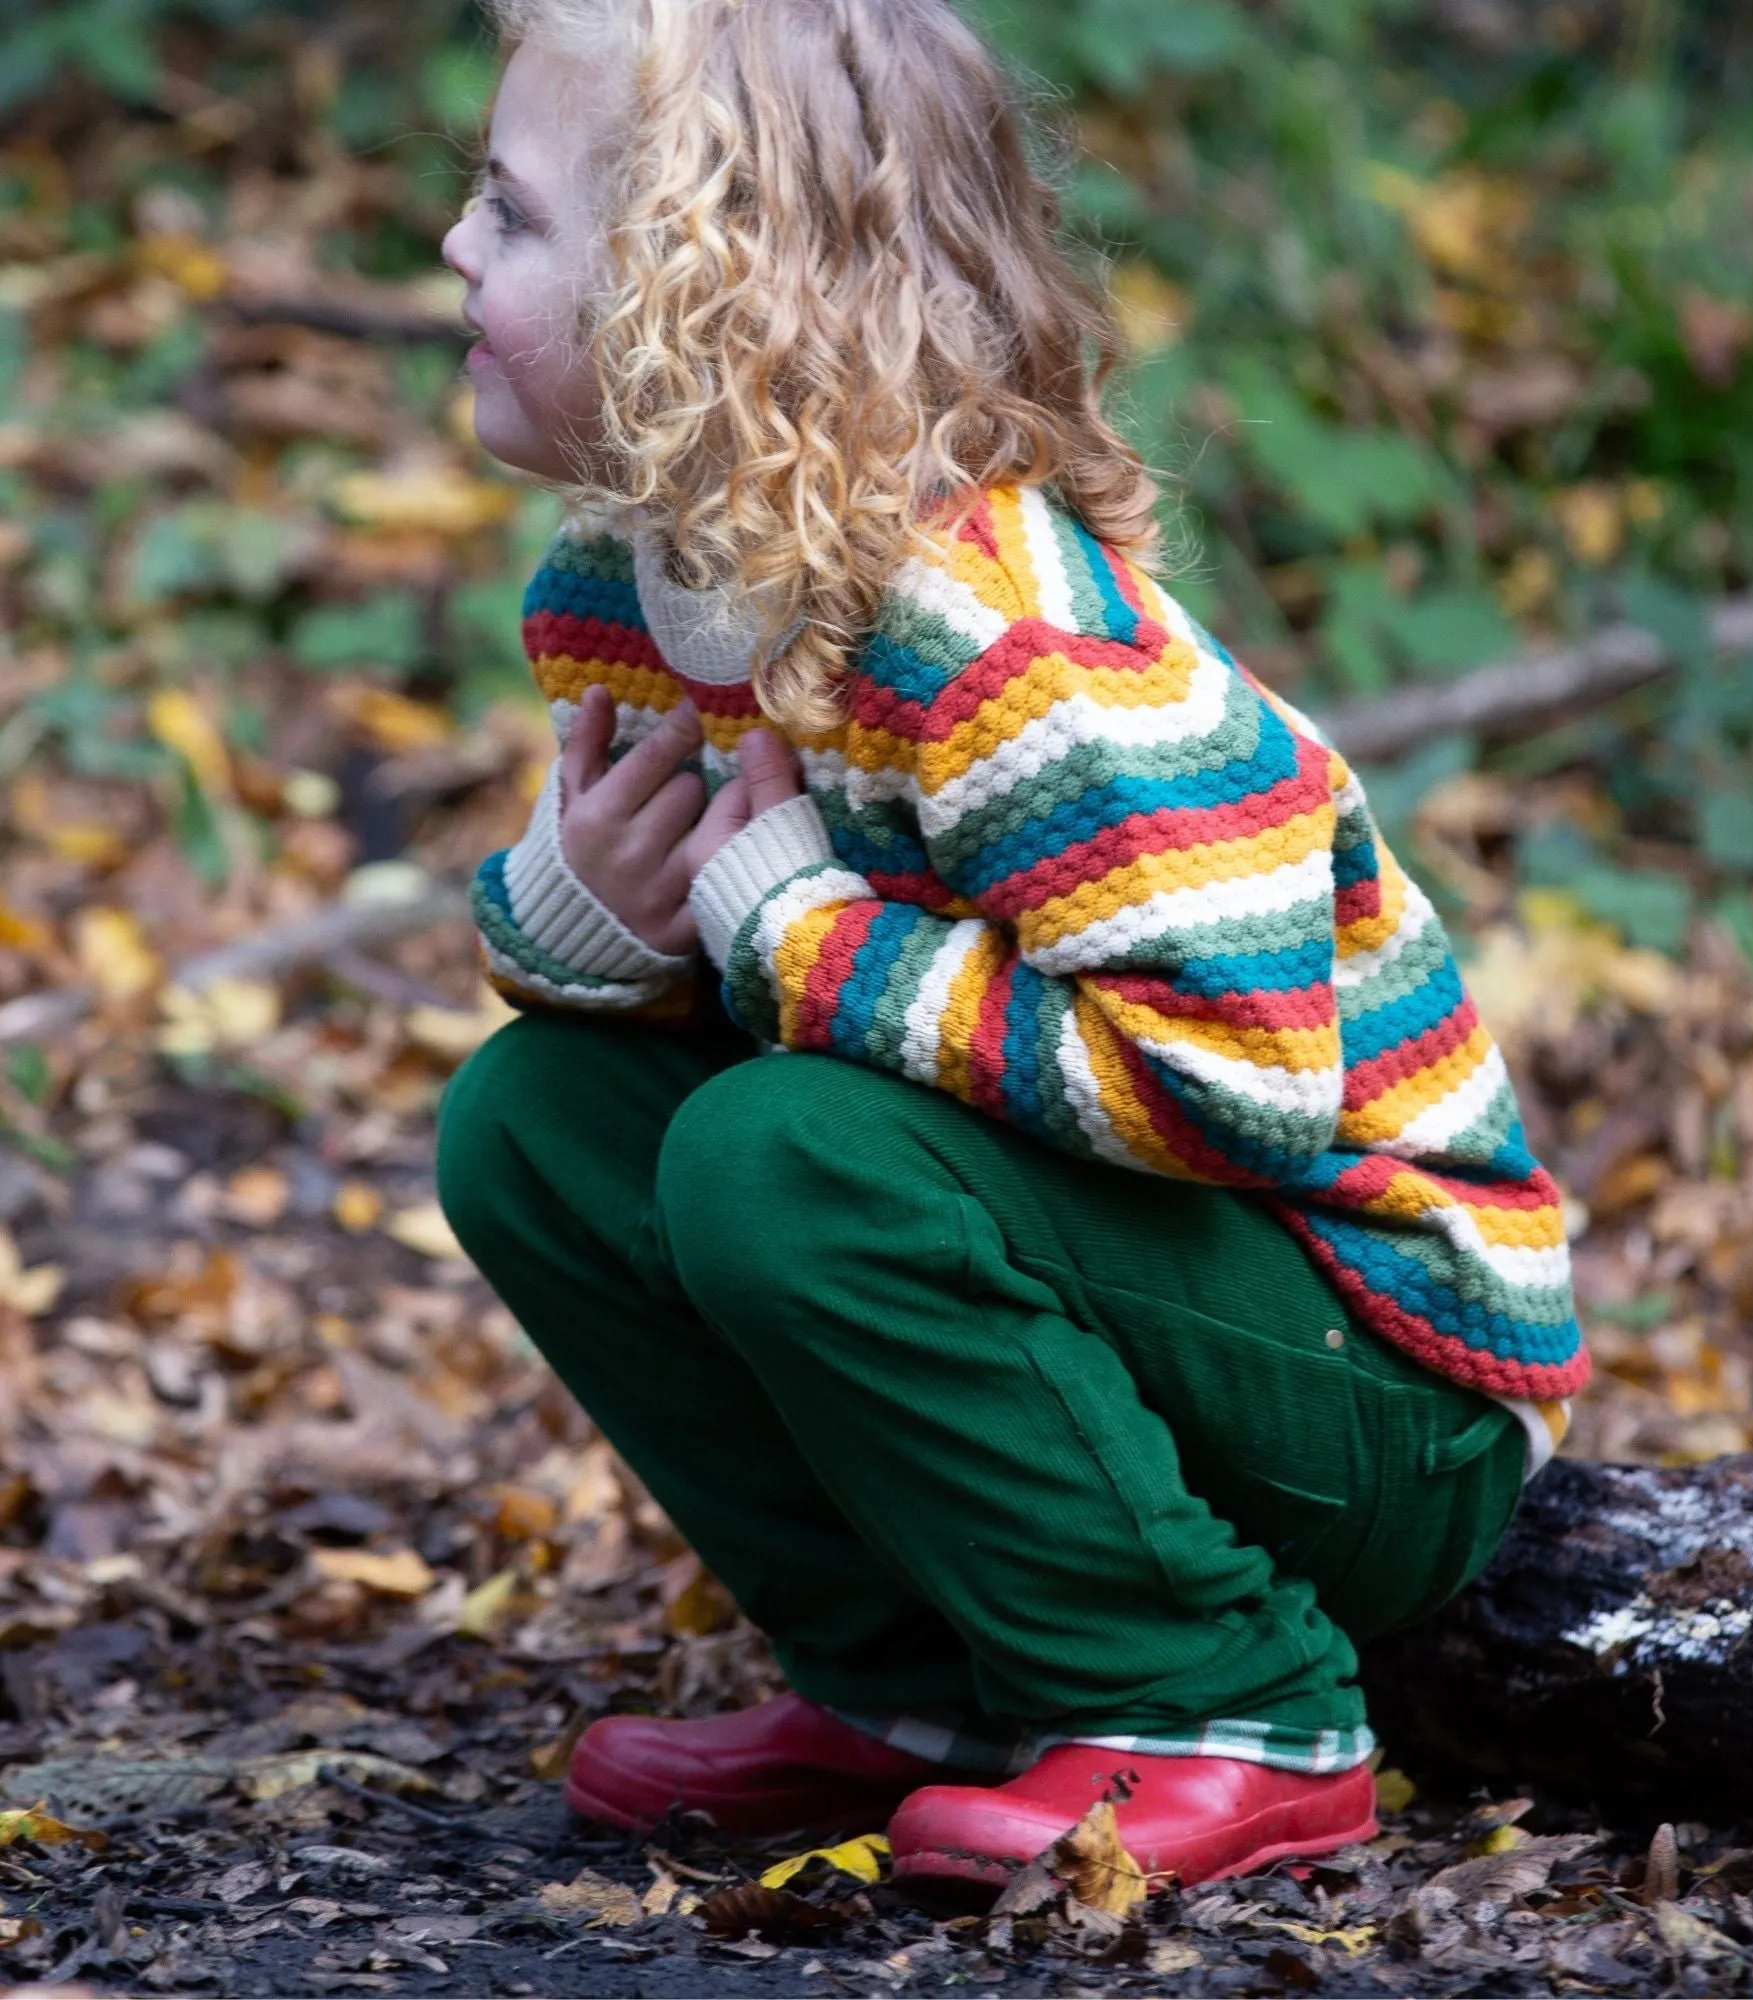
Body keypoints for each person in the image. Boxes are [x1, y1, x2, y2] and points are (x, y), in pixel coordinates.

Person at [435, 0, 1588, 1894]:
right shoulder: (618, 581)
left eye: (515, 210)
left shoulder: (995, 640)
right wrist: (591, 933)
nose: (457, 250)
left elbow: (1243, 1084)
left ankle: (1226, 1702)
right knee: (542, 1119)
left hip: (1373, 1367)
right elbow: (744, 982)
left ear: (701, 297)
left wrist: (805, 943)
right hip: (1114, 1283)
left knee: (780, 1150)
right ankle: (923, 1689)